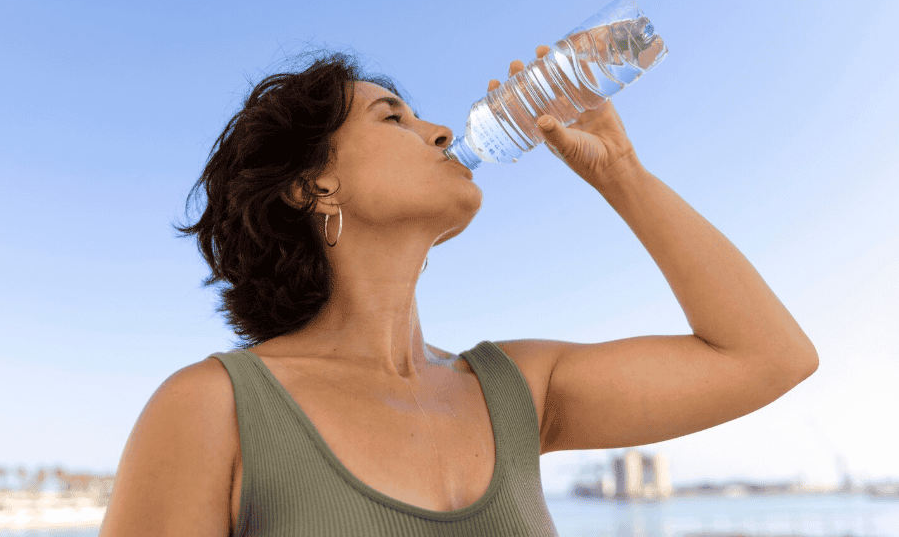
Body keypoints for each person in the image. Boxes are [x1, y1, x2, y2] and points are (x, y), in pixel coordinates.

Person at [99, 47, 819, 536]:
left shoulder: (517, 389)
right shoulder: (212, 408)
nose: (441, 131)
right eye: (394, 117)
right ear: (313, 183)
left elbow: (768, 357)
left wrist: (620, 171)